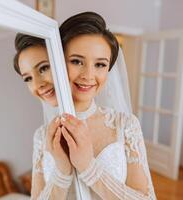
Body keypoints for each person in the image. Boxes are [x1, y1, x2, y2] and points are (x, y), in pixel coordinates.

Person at [13, 12, 156, 200]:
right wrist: (62, 174)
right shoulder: (41, 137)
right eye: (76, 61)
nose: (88, 75)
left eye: (100, 65)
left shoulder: (126, 125)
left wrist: (89, 168)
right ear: (57, 61)